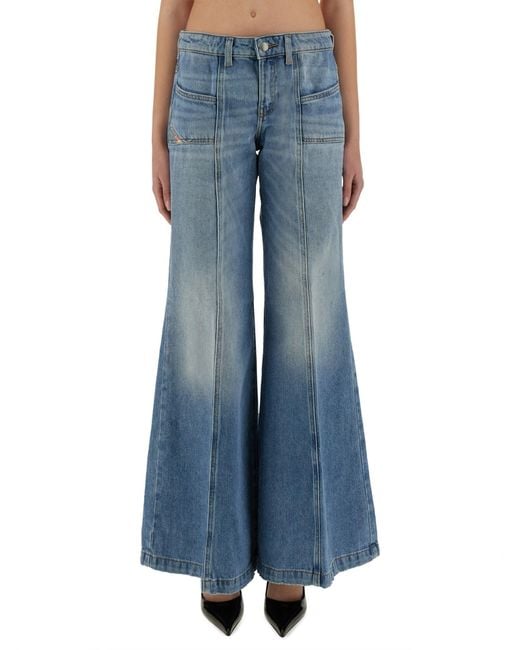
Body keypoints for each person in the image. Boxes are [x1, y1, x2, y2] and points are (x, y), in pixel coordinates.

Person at [141, 0, 380, 637]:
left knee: (308, 324)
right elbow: (173, 6)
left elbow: (339, 5)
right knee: (207, 330)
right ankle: (214, 549)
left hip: (308, 79)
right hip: (204, 77)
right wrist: (156, 132)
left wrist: (355, 134)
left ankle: (294, 549)